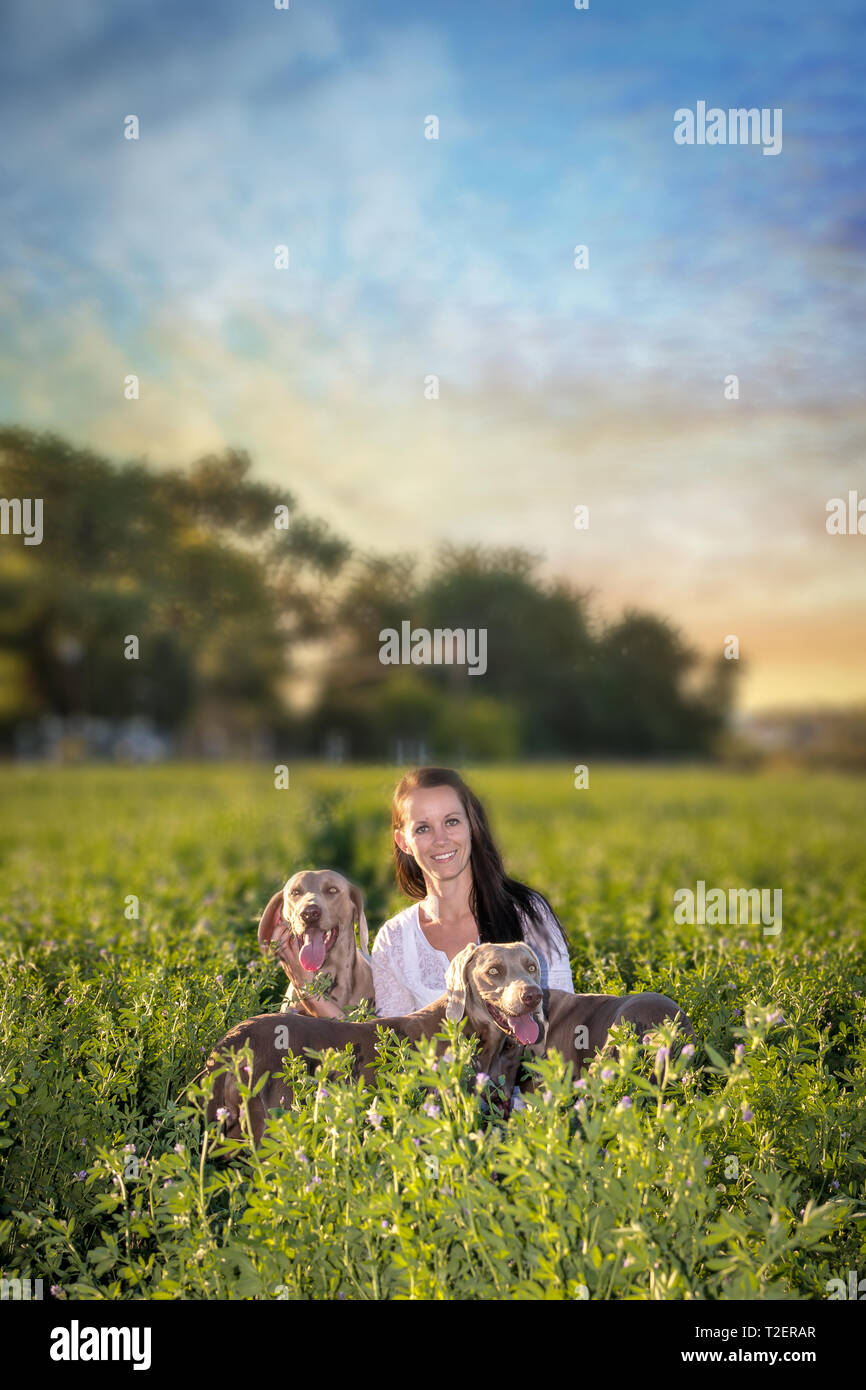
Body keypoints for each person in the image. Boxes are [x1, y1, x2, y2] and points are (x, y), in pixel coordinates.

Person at [372, 766, 574, 1016]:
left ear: (472, 825)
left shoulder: (527, 913)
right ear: (404, 842)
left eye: (451, 821)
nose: (441, 839)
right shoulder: (394, 940)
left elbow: (563, 1019)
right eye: (423, 828)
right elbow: (391, 1045)